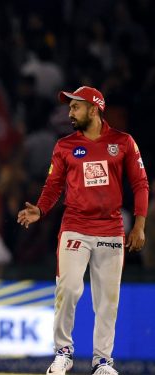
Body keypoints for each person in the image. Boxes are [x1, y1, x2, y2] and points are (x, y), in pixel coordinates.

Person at [17, 86, 148, 375]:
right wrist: (40, 209)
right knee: (69, 288)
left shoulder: (123, 142)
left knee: (107, 299)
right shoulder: (64, 146)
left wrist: (139, 225)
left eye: (75, 107)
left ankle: (103, 361)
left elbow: (141, 184)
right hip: (75, 227)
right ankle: (63, 352)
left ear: (94, 108)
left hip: (111, 230)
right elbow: (53, 186)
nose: (70, 113)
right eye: (69, 108)